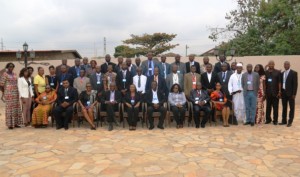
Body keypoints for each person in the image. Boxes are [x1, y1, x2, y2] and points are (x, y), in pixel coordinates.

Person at [0, 63, 23, 129]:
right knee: (10, 108)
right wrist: (4, 92)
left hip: (15, 92)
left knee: (16, 107)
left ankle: (16, 123)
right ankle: (10, 124)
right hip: (9, 93)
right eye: (10, 66)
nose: (11, 68)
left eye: (12, 67)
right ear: (7, 67)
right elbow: (1, 85)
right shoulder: (5, 74)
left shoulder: (15, 74)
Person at [280, 61, 298, 127]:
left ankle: (290, 121)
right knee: (284, 107)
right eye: (285, 64)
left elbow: (295, 84)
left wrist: (294, 94)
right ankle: (283, 121)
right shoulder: (282, 73)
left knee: (291, 108)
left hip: (291, 94)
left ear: (290, 65)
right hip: (283, 93)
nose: (286, 65)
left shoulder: (294, 73)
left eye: (287, 64)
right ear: (284, 65)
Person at [265, 60, 281, 125]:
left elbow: (279, 82)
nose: (271, 65)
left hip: (275, 93)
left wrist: (279, 91)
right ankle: (268, 119)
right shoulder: (266, 72)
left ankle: (275, 120)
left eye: (272, 64)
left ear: (274, 64)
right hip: (268, 93)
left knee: (275, 107)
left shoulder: (277, 72)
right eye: (270, 64)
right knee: (268, 107)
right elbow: (264, 83)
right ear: (268, 65)